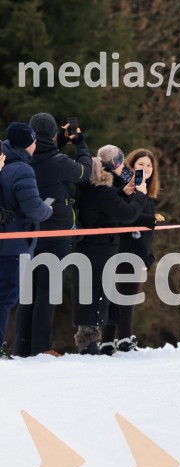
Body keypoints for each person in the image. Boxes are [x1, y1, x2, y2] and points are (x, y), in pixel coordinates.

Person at [14, 113, 92, 357]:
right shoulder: (59, 162)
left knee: (28, 293)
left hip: (27, 235)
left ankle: (22, 347)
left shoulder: (22, 160)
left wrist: (57, 142)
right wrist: (80, 143)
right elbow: (84, 172)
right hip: (55, 236)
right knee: (48, 293)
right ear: (53, 134)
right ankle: (41, 347)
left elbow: (43, 154)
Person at [71, 147, 150, 354]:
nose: (123, 169)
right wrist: (140, 195)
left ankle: (90, 343)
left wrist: (122, 192)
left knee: (89, 293)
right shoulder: (103, 192)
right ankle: (90, 345)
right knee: (97, 294)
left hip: (87, 248)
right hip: (99, 250)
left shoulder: (87, 188)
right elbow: (128, 215)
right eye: (120, 164)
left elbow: (105, 201)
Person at [100, 148, 162, 354]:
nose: (145, 169)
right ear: (131, 166)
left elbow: (144, 231)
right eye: (141, 165)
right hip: (123, 250)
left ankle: (109, 341)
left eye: (149, 166)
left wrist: (147, 256)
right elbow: (127, 217)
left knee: (123, 296)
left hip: (137, 251)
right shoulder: (127, 189)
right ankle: (123, 340)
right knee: (124, 297)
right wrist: (150, 220)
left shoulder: (145, 193)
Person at [0, 123, 53, 359]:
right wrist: (47, 210)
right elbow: (32, 208)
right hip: (12, 245)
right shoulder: (21, 169)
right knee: (6, 296)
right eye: (33, 141)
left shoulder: (4, 163)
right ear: (27, 143)